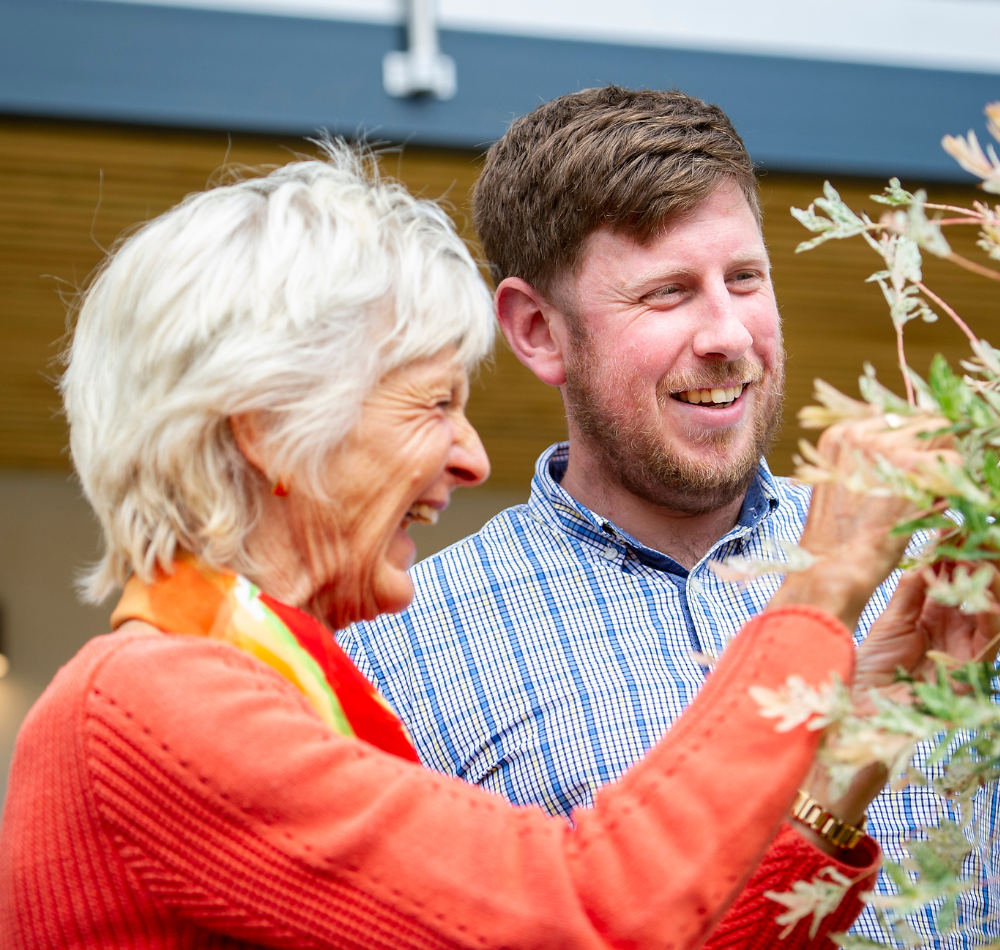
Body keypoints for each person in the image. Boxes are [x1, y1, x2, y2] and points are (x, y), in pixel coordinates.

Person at [0, 144, 986, 949]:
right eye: (433, 404)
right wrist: (818, 590)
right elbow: (583, 911)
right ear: (264, 428)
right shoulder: (151, 705)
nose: (473, 457)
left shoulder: (263, 691)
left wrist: (860, 725)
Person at [338, 86, 1000, 945]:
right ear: (538, 329)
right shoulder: (395, 658)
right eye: (667, 294)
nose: (729, 335)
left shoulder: (943, 580)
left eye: (745, 279)